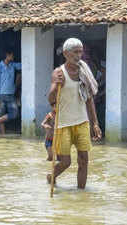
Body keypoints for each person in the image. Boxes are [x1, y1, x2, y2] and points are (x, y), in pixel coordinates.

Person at [47, 38, 102, 188]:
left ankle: (81, 194)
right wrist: (55, 85)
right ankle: (51, 176)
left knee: (84, 160)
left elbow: (89, 98)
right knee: (65, 162)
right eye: (75, 52)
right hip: (63, 123)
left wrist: (95, 123)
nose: (79, 56)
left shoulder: (84, 70)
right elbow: (50, 98)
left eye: (80, 52)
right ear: (66, 54)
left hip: (82, 121)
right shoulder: (59, 72)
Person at [0, 48, 21, 134]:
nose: (13, 56)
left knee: (14, 114)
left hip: (11, 95)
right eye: (12, 55)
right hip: (1, 95)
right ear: (7, 55)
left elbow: (24, 65)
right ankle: (3, 135)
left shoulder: (13, 65)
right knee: (0, 115)